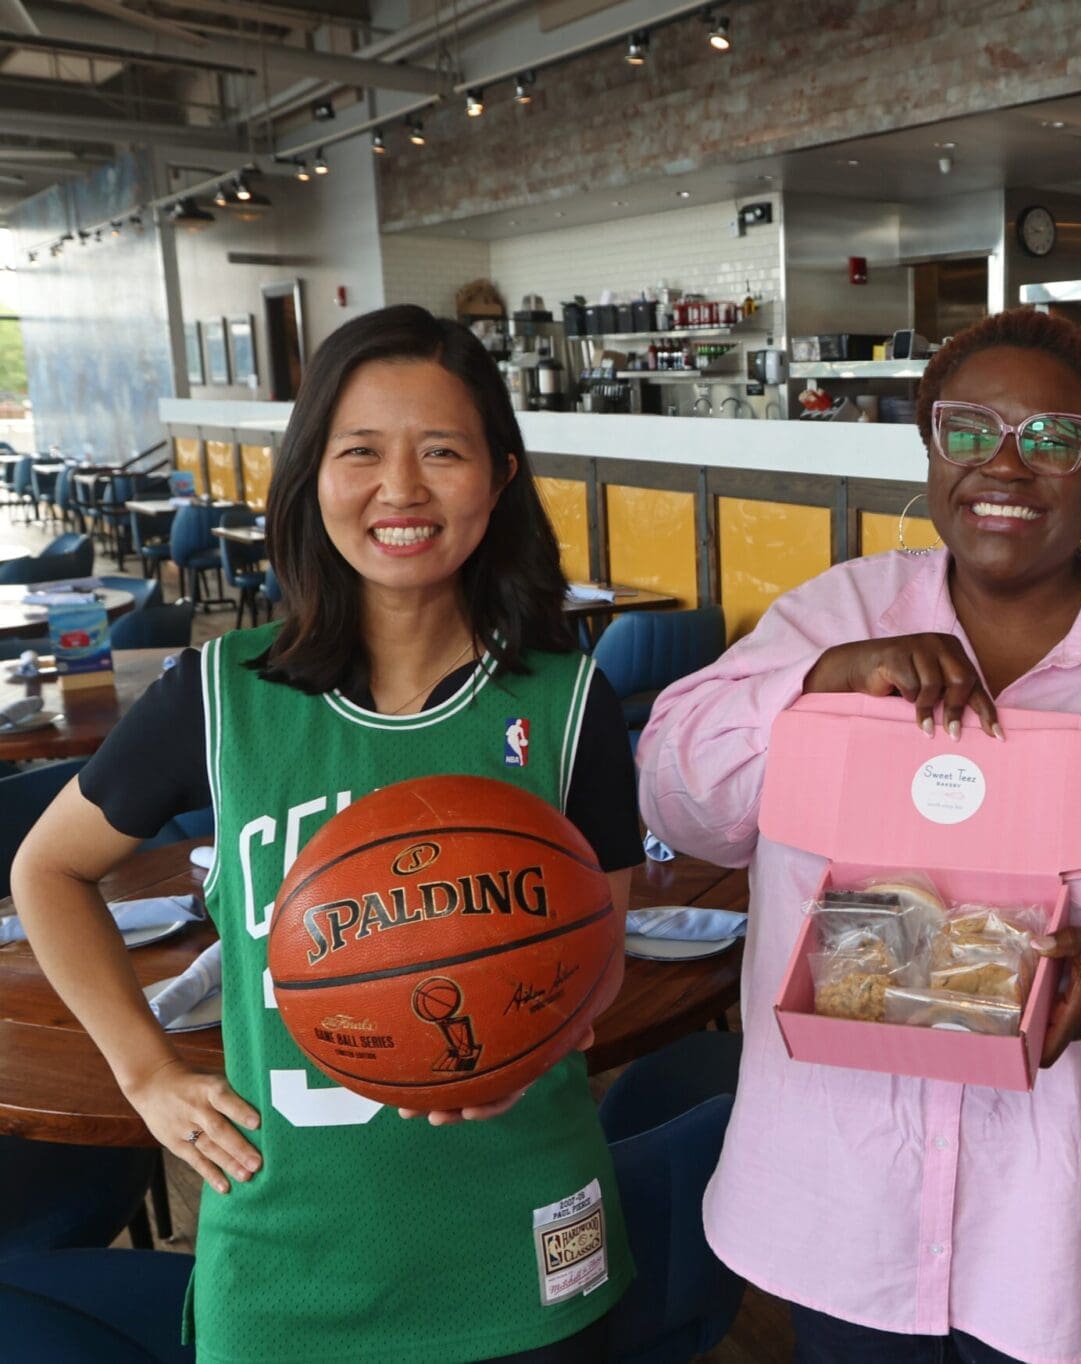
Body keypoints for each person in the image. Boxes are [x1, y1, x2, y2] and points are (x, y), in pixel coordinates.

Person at [638, 308, 1081, 1364]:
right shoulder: (831, 614)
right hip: (842, 1203)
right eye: (969, 430)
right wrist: (815, 686)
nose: (1006, 465)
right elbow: (683, 801)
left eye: (1051, 437)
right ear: (928, 444)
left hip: (1071, 1216)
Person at [11, 305, 639, 1362]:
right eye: (361, 451)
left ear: (500, 475)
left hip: (523, 1239)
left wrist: (540, 1026)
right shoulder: (218, 693)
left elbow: (598, 953)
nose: (401, 488)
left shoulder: (571, 701)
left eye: (442, 450)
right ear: (310, 476)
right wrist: (146, 1070)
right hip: (289, 1263)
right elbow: (48, 868)